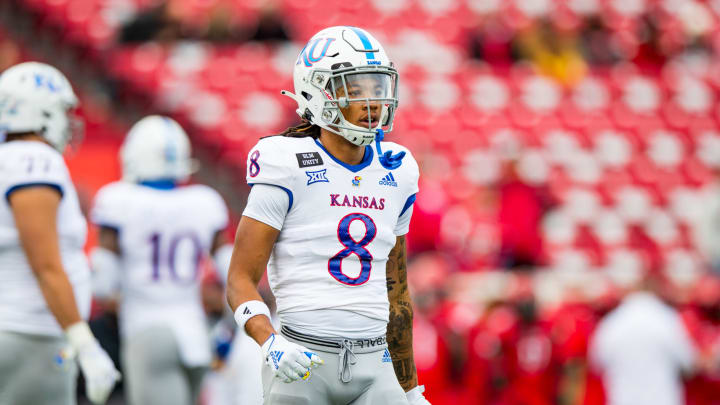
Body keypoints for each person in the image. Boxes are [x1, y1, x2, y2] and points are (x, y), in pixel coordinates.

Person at [225, 26, 432, 405]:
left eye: (376, 86)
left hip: (376, 364)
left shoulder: (398, 169)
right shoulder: (285, 162)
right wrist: (270, 342)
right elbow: (239, 279)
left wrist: (410, 388)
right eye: (354, 88)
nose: (372, 101)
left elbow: (396, 291)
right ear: (317, 92)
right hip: (301, 360)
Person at [89, 115, 234, 405]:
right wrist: (227, 333)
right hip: (196, 335)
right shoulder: (204, 201)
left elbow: (103, 286)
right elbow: (236, 276)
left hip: (148, 331)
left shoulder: (119, 200)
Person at [0, 62, 120, 405]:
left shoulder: (9, 159)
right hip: (32, 334)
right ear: (40, 111)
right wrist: (85, 343)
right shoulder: (34, 160)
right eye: (62, 111)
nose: (69, 122)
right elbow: (46, 265)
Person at [589, 271, 697, 405]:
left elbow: (597, 361)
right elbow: (688, 362)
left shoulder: (613, 321)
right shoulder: (666, 319)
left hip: (623, 399)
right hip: (662, 399)